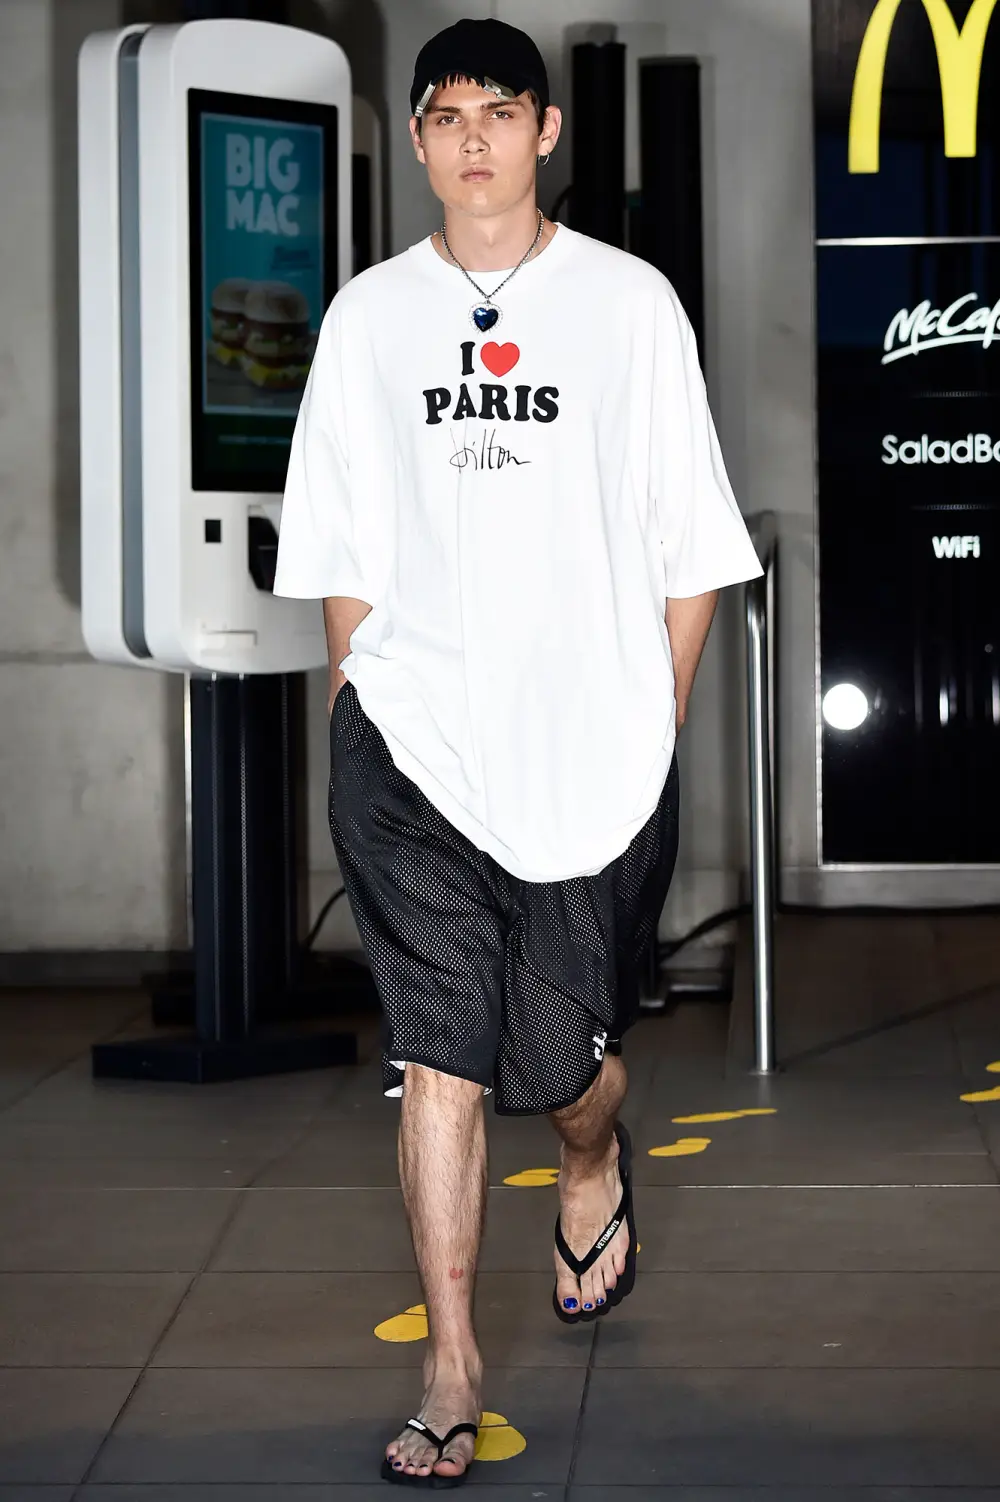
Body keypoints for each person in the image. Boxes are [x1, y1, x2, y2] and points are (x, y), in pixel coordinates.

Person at [274, 16, 762, 1487]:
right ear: (420, 140)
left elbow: (692, 548)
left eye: (501, 109)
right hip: (413, 748)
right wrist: (365, 694)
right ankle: (451, 1369)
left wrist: (650, 720)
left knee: (558, 1060)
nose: (473, 135)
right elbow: (338, 541)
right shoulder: (369, 319)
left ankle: (596, 1152)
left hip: (587, 756)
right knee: (442, 1045)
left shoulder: (628, 305)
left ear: (547, 131)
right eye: (447, 114)